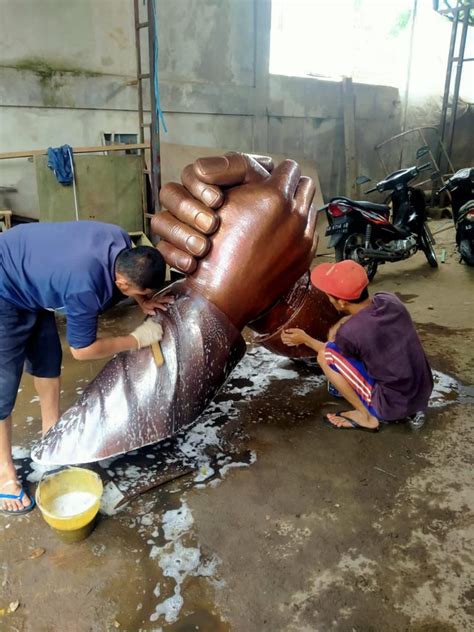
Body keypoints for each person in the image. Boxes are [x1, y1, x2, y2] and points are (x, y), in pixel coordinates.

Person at [0, 220, 168, 514]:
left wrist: (143, 301)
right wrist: (135, 339)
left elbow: (127, 280)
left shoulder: (120, 240)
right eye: (139, 292)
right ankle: (4, 477)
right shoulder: (84, 287)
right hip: (4, 284)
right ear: (123, 284)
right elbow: (82, 350)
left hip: (30, 272)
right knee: (3, 387)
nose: (140, 296)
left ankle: (51, 436)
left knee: (47, 360)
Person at [281, 260, 433, 432]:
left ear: (342, 303)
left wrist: (305, 339)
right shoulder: (389, 300)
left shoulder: (351, 332)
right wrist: (340, 325)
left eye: (329, 296)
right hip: (422, 391)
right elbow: (364, 315)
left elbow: (332, 351)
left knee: (326, 356)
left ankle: (366, 417)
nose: (328, 298)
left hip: (392, 405)